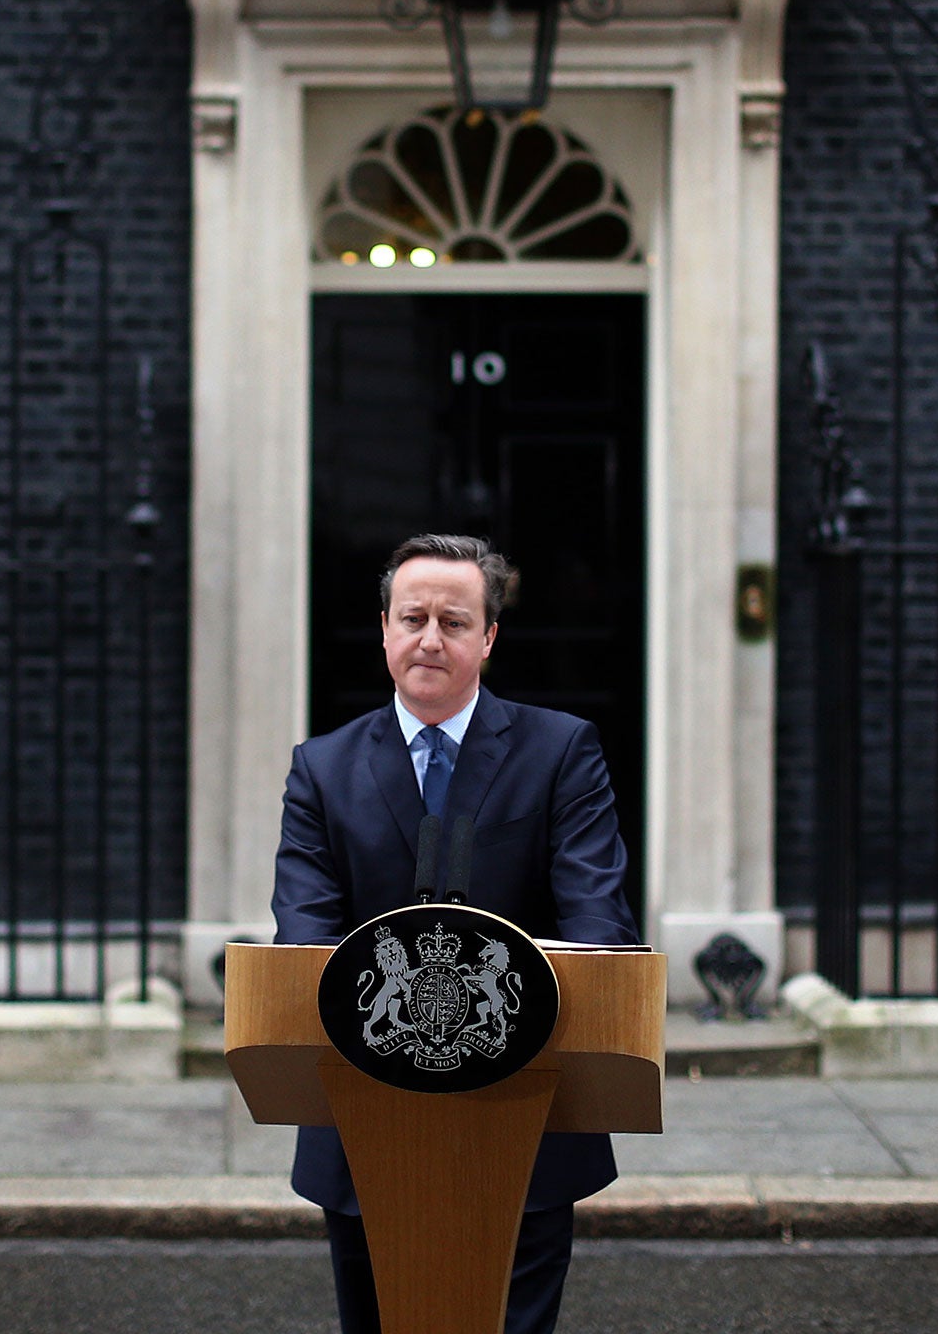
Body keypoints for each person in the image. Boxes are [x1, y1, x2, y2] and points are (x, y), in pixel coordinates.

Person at [272, 532, 638, 1334]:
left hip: (524, 1112)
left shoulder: (561, 752)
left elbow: (597, 920)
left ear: (489, 638)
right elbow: (303, 934)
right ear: (383, 630)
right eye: (413, 618)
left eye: (454, 620)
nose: (430, 638)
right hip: (366, 1119)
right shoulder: (322, 768)